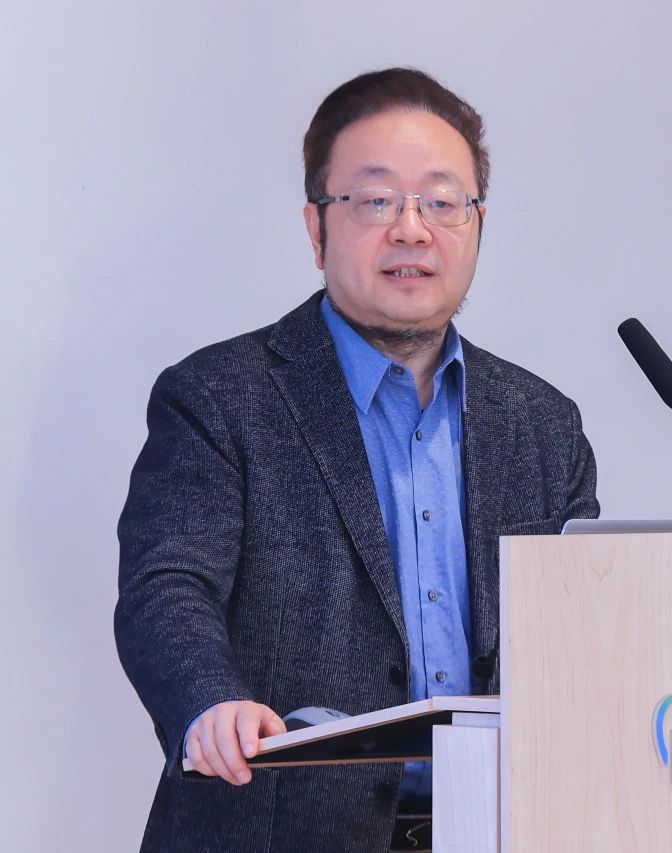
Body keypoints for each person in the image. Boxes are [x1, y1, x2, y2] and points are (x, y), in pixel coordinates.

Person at [115, 67, 599, 852]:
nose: (412, 229)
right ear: (317, 229)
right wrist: (210, 701)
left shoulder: (541, 423)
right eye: (376, 201)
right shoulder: (219, 397)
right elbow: (167, 585)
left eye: (442, 202)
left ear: (478, 225)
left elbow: (583, 632)